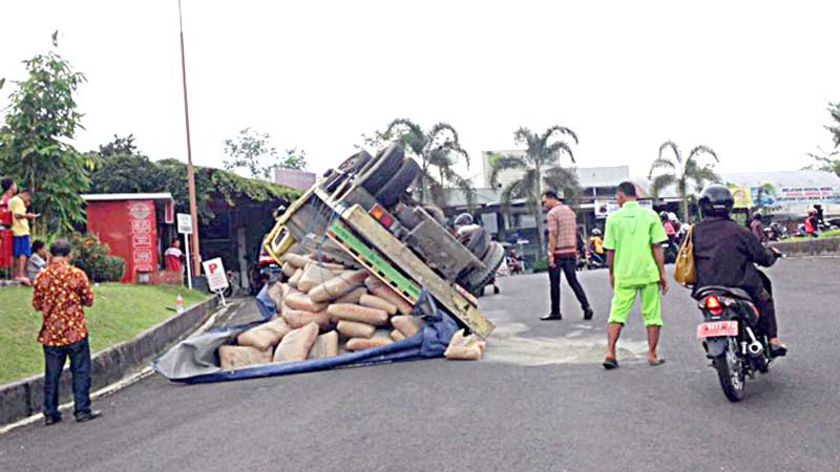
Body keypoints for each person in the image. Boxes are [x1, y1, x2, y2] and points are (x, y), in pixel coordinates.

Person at [692, 185, 786, 356]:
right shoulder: (739, 231)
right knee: (764, 297)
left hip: (704, 286)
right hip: (740, 284)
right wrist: (772, 254)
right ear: (729, 206)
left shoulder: (693, 232)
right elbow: (762, 257)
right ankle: (772, 339)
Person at [32, 239, 102, 425]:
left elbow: (37, 304)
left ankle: (50, 412)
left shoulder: (42, 276)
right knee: (80, 370)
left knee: (52, 374)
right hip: (74, 331)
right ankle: (82, 409)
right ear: (69, 254)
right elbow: (88, 300)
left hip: (51, 333)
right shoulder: (76, 274)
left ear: (50, 254)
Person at [602, 182, 669, 369]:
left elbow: (610, 250)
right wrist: (662, 273)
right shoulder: (650, 216)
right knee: (652, 315)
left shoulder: (613, 219)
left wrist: (612, 273)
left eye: (617, 197)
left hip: (624, 273)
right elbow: (657, 246)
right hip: (648, 273)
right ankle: (652, 354)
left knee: (617, 313)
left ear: (622, 196)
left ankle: (610, 352)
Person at [541, 191, 593, 321]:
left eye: (545, 201)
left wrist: (550, 254)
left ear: (551, 198)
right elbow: (575, 232)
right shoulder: (570, 212)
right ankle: (586, 307)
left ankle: (555, 312)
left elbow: (553, 234)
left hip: (558, 252)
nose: (545, 205)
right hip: (570, 251)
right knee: (573, 281)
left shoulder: (552, 213)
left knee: (554, 283)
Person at [8, 189, 38, 284]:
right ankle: (21, 274)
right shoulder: (18, 201)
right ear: (26, 194)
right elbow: (17, 215)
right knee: (23, 253)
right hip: (21, 230)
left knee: (17, 253)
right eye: (28, 199)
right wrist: (28, 216)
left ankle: (16, 274)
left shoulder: (12, 200)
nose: (28, 202)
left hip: (16, 230)